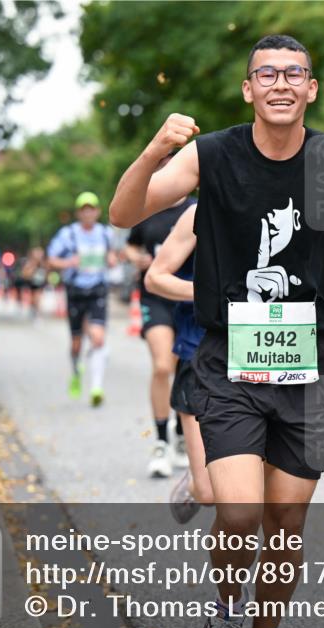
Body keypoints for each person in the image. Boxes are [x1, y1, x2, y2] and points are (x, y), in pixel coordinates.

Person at [109, 34, 324, 628]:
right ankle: (222, 618)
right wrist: (158, 147)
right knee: (239, 513)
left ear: (310, 89)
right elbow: (122, 211)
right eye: (266, 73)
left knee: (286, 524)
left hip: (307, 363)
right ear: (248, 90)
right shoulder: (210, 156)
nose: (280, 83)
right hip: (228, 357)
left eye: (294, 73)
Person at [124, 149, 196, 479]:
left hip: (190, 298)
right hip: (155, 295)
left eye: (172, 165)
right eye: (162, 165)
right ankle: (161, 441)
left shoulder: (196, 210)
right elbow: (130, 243)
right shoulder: (147, 209)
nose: (167, 170)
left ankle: (183, 438)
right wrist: (135, 257)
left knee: (184, 366)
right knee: (162, 364)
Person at [144, 204, 216, 525]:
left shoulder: (283, 208)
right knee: (210, 492)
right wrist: (212, 293)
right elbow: (155, 277)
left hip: (261, 357)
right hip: (198, 350)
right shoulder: (199, 214)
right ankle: (192, 477)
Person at [47, 192, 119, 407]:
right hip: (76, 291)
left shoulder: (106, 234)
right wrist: (69, 262)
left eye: (92, 208)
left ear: (97, 211)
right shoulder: (67, 234)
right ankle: (76, 370)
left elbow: (115, 256)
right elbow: (51, 260)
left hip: (97, 290)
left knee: (98, 338)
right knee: (77, 343)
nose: (88, 213)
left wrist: (112, 259)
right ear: (78, 213)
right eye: (83, 209)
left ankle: (96, 387)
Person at [20, 247, 47, 320]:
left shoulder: (43, 263)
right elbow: (24, 273)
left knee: (37, 298)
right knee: (33, 298)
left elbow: (47, 271)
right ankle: (34, 310)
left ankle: (37, 313)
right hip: (32, 282)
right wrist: (33, 269)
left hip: (40, 283)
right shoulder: (30, 263)